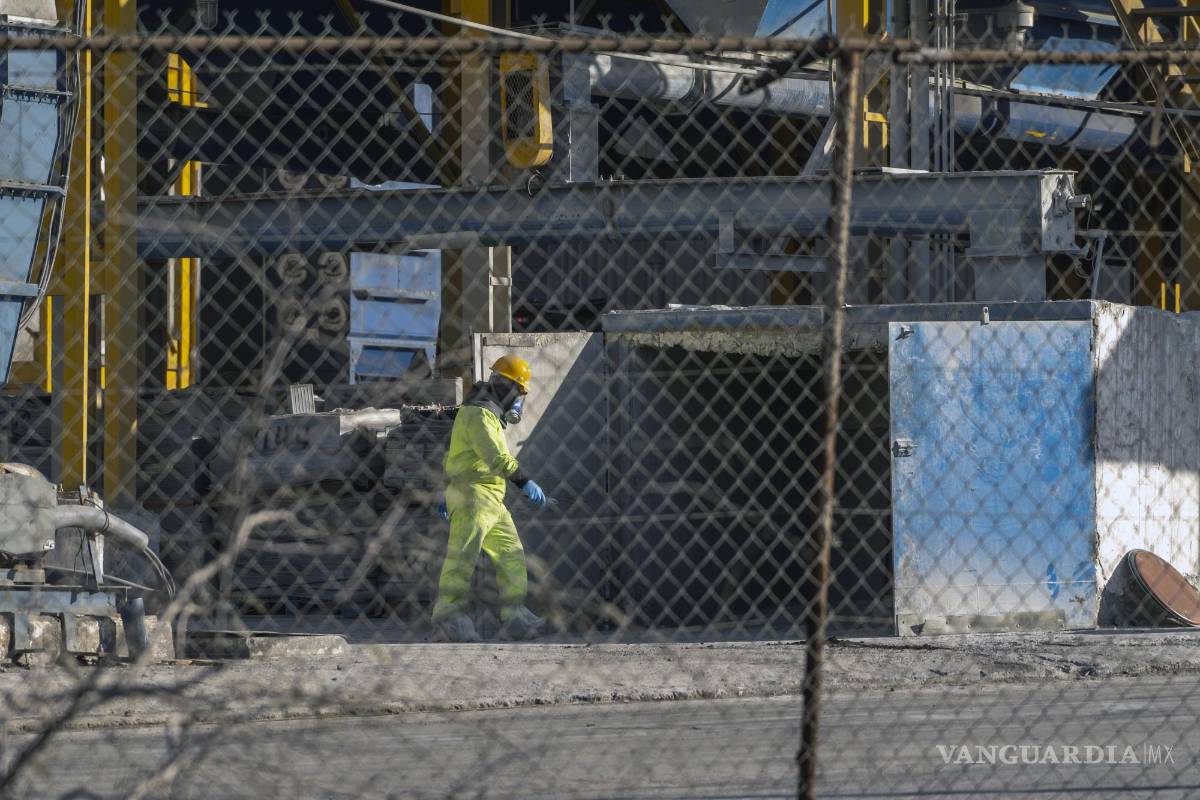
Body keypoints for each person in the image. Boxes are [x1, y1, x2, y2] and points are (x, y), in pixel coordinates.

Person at [431, 354, 548, 642]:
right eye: (518, 392)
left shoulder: (487, 413)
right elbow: (495, 457)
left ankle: (515, 614)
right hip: (472, 496)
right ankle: (449, 617)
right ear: (507, 387)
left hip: (491, 497)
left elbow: (456, 454)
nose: (518, 400)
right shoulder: (479, 414)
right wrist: (524, 480)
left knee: (511, 554)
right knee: (462, 558)